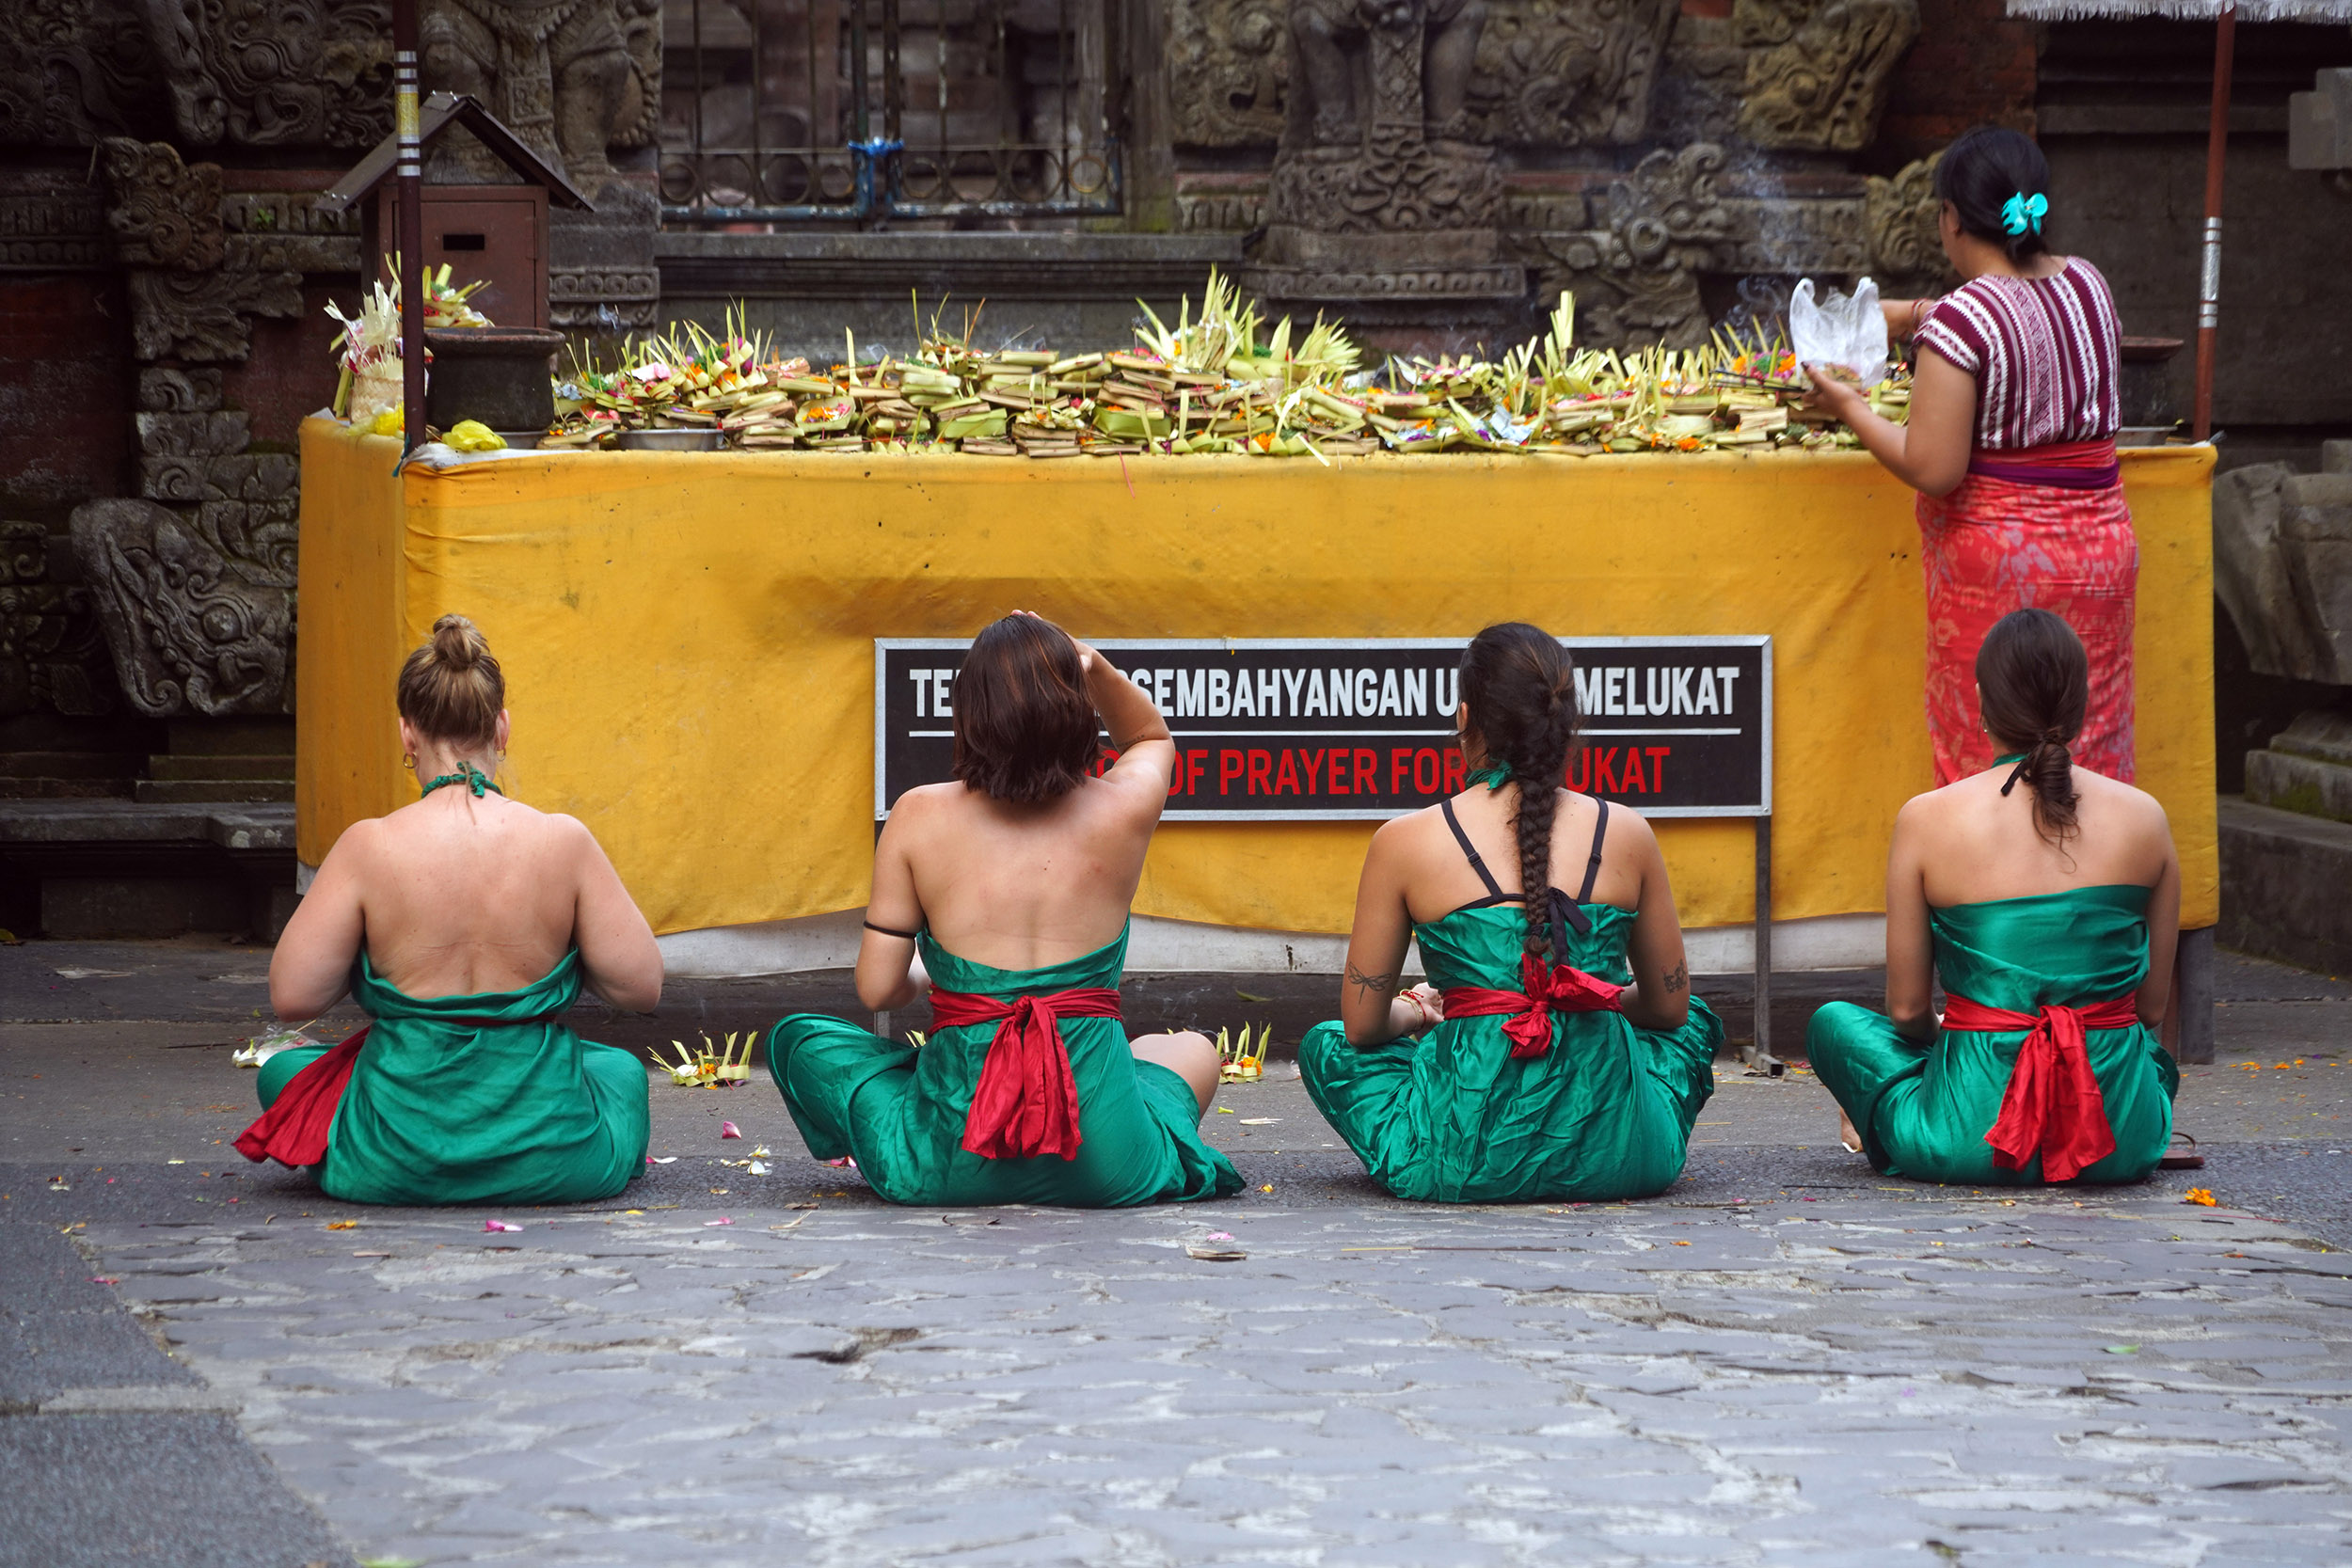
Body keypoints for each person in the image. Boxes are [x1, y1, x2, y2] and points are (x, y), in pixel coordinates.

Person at [768, 612, 1241, 1207]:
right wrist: (1090, 662)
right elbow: (1150, 737)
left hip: (947, 1160)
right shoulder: (1123, 809)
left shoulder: (917, 815)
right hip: (1106, 1166)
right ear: (1076, 709)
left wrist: (942, 981)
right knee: (1192, 1050)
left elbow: (878, 988)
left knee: (799, 1040)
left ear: (969, 715)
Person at [237, 614, 662, 1205]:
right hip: (557, 1155)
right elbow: (641, 987)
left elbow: (294, 997)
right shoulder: (563, 841)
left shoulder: (368, 846)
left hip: (391, 1159)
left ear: (407, 735)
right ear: (501, 727)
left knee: (286, 1072)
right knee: (619, 1072)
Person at [1296, 623, 1724, 1203]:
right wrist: (1595, 995)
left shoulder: (1403, 841)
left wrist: (1422, 1012)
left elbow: (1362, 1027)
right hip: (1621, 1154)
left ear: (1465, 718)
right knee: (1693, 1019)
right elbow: (1669, 1009)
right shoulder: (1627, 832)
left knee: (1329, 1044)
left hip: (1462, 1158)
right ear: (1565, 722)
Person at [1806, 125, 2137, 788]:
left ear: (1952, 218)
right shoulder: (2089, 285)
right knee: (2087, 745)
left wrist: (1849, 407)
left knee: (1994, 755)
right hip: (2101, 559)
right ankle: (2094, 851)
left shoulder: (1961, 322)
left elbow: (1934, 468)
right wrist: (1919, 315)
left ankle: (1989, 858)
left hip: (2000, 570)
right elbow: (2023, 315)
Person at [1807, 610, 2180, 1185]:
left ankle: (1881, 1114)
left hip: (1969, 1136)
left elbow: (1907, 1012)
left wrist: (1966, 1036)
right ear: (2082, 704)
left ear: (1982, 701)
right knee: (2144, 1054)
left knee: (1834, 1024)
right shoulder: (2146, 818)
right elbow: (2150, 1012)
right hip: (2116, 1137)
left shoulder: (1926, 819)